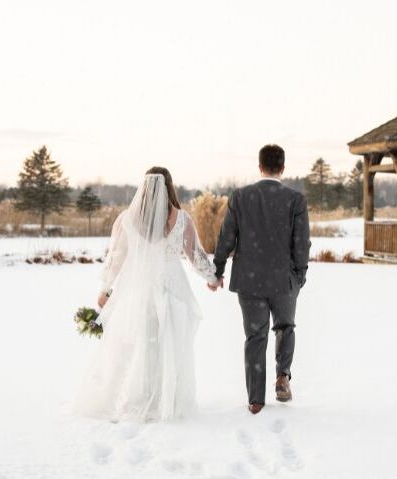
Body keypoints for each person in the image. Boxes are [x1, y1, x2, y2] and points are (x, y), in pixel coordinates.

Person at [75, 167, 220, 422]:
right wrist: (213, 278)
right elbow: (195, 255)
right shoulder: (181, 219)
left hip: (136, 293)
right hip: (171, 293)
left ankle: (137, 397)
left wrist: (105, 290)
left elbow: (115, 259)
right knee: (167, 349)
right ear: (170, 187)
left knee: (136, 346)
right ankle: (163, 400)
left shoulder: (127, 220)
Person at [212, 144, 311, 414]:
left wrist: (217, 270)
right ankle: (283, 376)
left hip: (250, 280)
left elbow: (226, 238)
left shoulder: (241, 197)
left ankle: (256, 399)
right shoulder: (295, 200)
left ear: (259, 167)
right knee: (285, 327)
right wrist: (299, 276)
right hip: (284, 279)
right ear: (282, 168)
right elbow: (301, 243)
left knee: (255, 337)